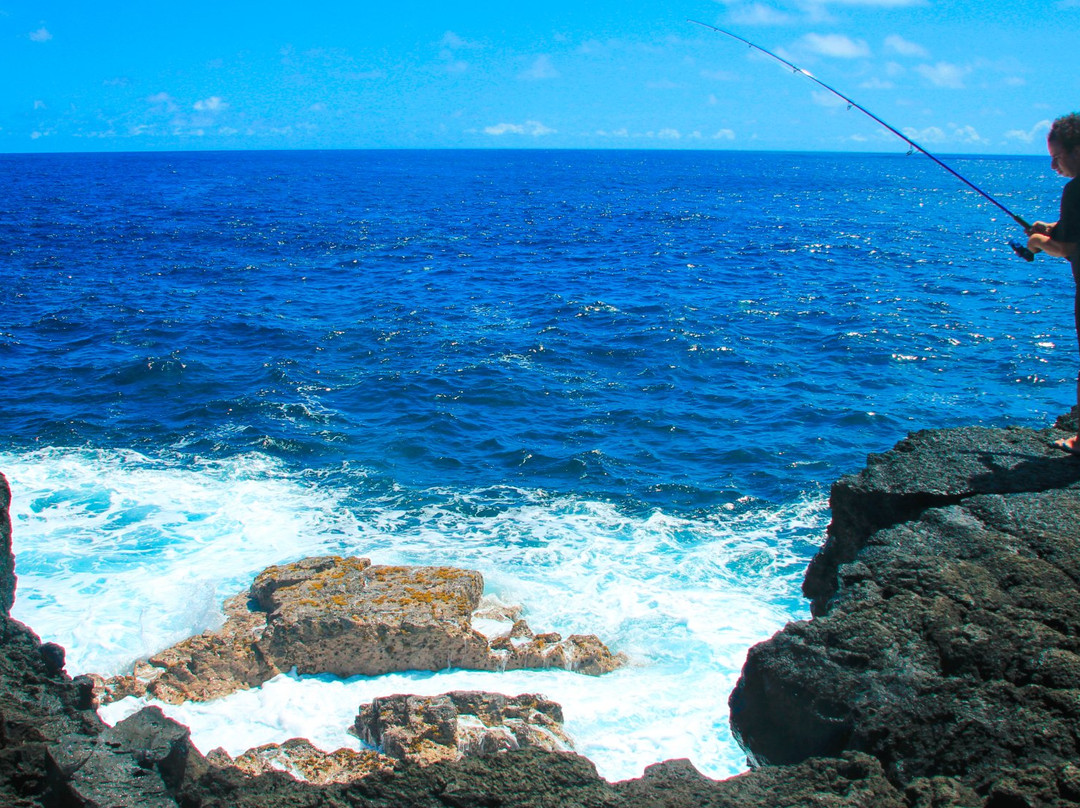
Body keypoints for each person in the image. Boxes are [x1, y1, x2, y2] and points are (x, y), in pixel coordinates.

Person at [1027, 113, 1080, 453]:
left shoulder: (1075, 190)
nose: (1053, 166)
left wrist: (1037, 241)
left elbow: (1066, 248)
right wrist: (1050, 228)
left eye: (1057, 157)